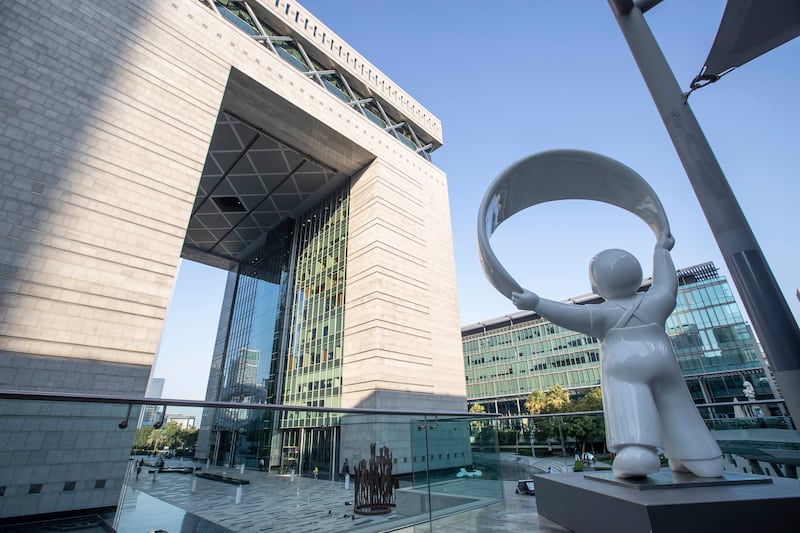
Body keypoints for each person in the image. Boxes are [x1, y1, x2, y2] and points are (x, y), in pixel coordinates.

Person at [512, 234, 723, 479]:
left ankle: (637, 453)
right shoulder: (657, 300)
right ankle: (702, 457)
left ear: (596, 287)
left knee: (630, 405)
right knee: (677, 403)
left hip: (624, 368)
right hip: (664, 360)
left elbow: (568, 314)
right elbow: (667, 283)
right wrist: (661, 251)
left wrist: (536, 303)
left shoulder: (602, 314)